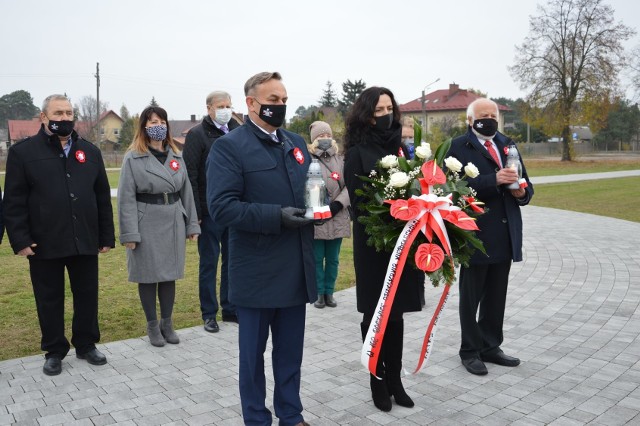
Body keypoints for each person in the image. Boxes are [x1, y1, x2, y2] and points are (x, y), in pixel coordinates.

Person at [206, 71, 315, 426]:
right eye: (273, 101)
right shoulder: (229, 146)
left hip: (295, 267)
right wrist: (277, 217)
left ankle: (291, 414)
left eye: (284, 100)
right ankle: (256, 418)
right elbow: (222, 207)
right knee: (252, 357)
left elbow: (308, 191)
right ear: (251, 103)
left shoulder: (296, 143)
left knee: (290, 355)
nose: (280, 106)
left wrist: (320, 204)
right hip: (256, 270)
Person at [3, 94, 115, 376]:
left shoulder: (90, 152)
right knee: (49, 298)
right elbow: (13, 201)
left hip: (85, 239)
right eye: (58, 113)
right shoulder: (23, 153)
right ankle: (54, 350)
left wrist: (105, 236)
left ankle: (86, 343)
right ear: (43, 117)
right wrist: (20, 240)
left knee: (87, 295)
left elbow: (101, 196)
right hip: (44, 241)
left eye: (68, 113)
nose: (64, 118)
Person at [344, 87, 423, 412]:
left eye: (390, 108)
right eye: (379, 110)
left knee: (398, 311)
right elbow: (360, 204)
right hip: (374, 244)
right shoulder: (358, 152)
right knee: (377, 312)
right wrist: (392, 212)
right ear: (366, 114)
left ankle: (396, 382)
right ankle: (377, 380)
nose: (386, 114)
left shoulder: (403, 150)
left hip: (404, 243)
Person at [446, 98, 534, 375]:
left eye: (492, 114)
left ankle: (490, 345)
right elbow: (454, 188)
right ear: (470, 121)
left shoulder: (508, 144)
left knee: (497, 294)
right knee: (471, 296)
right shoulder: (458, 147)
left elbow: (525, 183)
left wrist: (522, 192)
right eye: (482, 115)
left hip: (506, 231)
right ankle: (470, 350)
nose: (489, 119)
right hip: (475, 233)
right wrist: (492, 180)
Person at [118, 106, 200, 348]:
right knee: (148, 275)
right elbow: (125, 198)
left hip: (173, 218)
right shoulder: (133, 157)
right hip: (146, 221)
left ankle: (167, 323)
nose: (158, 125)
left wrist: (192, 225)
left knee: (168, 274)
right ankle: (152, 325)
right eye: (153, 121)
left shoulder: (176, 155)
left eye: (162, 120)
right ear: (144, 126)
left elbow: (187, 192)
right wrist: (129, 233)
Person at [184, 91, 240, 333]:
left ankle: (230, 307)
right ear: (209, 109)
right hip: (208, 211)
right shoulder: (197, 135)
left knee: (232, 261)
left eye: (228, 105)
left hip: (234, 209)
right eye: (220, 106)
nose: (225, 110)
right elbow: (191, 176)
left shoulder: (238, 130)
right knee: (209, 262)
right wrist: (195, 212)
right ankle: (209, 313)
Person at [307, 121, 351, 309]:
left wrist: (338, 204)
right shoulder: (308, 159)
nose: (324, 139)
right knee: (317, 258)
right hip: (317, 216)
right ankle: (319, 293)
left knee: (333, 259)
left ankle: (330, 292)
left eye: (327, 135)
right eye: (320, 136)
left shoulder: (341, 159)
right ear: (313, 140)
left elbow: (349, 184)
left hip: (337, 214)